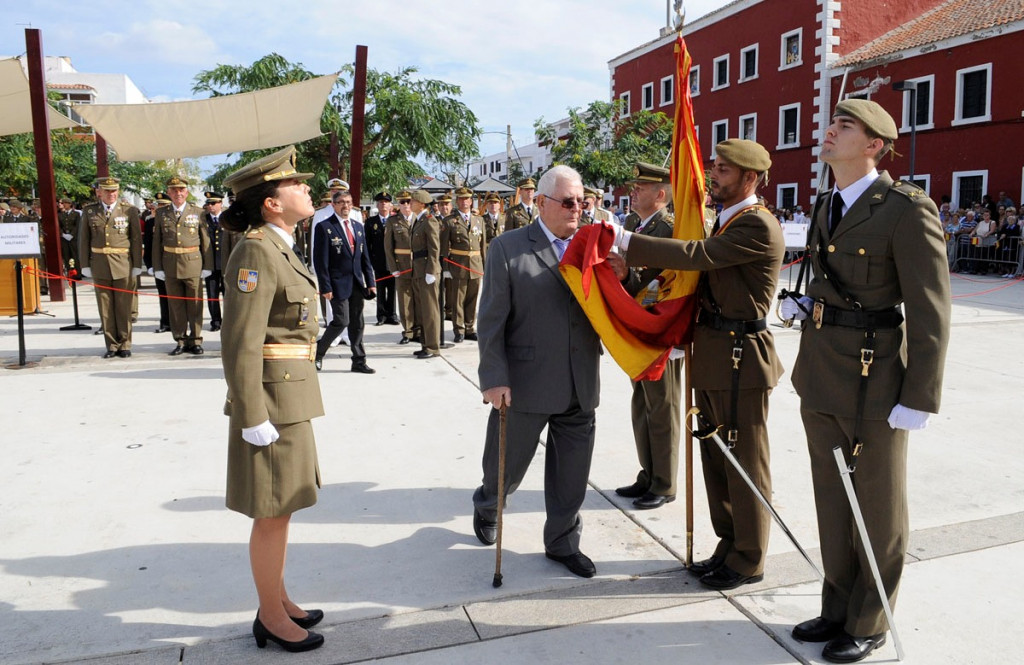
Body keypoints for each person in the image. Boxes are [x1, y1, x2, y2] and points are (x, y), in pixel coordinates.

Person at [781, 99, 951, 664]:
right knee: (833, 500)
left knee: (876, 507)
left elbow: (930, 310)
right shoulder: (829, 201)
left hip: (874, 380)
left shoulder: (905, 209)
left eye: (844, 126)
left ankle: (869, 618)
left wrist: (919, 396)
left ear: (874, 144)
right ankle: (837, 607)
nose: (829, 132)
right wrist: (808, 307)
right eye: (832, 124)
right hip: (822, 374)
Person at [608, 140, 783, 589]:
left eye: (723, 170)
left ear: (749, 178)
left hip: (742, 359)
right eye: (714, 167)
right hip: (714, 352)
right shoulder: (726, 222)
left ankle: (749, 557)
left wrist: (627, 241)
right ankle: (729, 545)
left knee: (744, 462)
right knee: (716, 459)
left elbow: (696, 256)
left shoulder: (756, 225)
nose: (713, 176)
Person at [472, 164, 603, 578]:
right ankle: (489, 504)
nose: (577, 209)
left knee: (571, 476)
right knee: (504, 470)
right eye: (568, 202)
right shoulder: (508, 248)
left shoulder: (593, 246)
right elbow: (490, 319)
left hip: (580, 380)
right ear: (542, 204)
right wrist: (494, 377)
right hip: (524, 385)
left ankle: (563, 541)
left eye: (582, 202)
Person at [220, 145, 326, 654]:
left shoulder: (281, 245)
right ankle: (268, 616)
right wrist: (250, 414)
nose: (307, 188)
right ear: (271, 202)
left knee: (284, 507)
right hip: (270, 402)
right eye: (296, 184)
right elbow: (241, 339)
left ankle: (279, 598)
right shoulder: (257, 250)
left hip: (292, 395)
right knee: (272, 512)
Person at [611, 163, 682, 510]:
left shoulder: (668, 229)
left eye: (641, 187)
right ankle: (649, 473)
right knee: (641, 404)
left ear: (661, 195)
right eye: (634, 186)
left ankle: (665, 482)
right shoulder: (631, 224)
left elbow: (666, 285)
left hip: (659, 329)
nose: (633, 191)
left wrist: (628, 278)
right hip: (637, 327)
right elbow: (632, 278)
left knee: (662, 407)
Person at [312, 189, 376, 374]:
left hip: (357, 283)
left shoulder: (357, 226)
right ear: (333, 205)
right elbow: (320, 260)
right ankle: (318, 353)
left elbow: (365, 258)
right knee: (341, 321)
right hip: (336, 283)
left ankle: (358, 360)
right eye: (341, 202)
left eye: (348, 202)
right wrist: (325, 286)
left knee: (358, 322)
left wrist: (370, 282)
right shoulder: (325, 227)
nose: (345, 206)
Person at [78, 177, 143, 358]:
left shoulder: (129, 211)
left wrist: (137, 264)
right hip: (99, 264)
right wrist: (84, 264)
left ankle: (125, 343)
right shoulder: (90, 211)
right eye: (107, 191)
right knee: (105, 308)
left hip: (122, 263)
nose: (111, 194)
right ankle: (111, 345)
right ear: (99, 192)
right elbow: (84, 240)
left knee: (123, 306)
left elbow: (136, 239)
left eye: (114, 191)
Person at [154, 176, 212, 355]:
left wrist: (207, 265)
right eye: (174, 190)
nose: (178, 193)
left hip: (193, 263)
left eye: (181, 190)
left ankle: (195, 340)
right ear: (169, 193)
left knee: (195, 304)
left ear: (186, 192)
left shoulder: (198, 212)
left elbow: (205, 240)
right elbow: (157, 242)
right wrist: (157, 267)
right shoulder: (162, 213)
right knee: (176, 305)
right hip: (170, 264)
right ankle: (180, 339)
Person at [445, 187, 486, 343]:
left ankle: (469, 328)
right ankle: (459, 330)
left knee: (472, 299)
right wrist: (447, 268)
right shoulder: (450, 221)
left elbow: (482, 247)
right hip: (458, 265)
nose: (464, 202)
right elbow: (444, 247)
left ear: (471, 201)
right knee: (458, 300)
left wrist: (484, 265)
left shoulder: (479, 220)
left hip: (475, 265)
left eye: (467, 199)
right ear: (457, 202)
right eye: (461, 199)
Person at [409, 189, 442, 358]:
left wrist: (431, 270)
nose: (410, 204)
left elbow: (434, 248)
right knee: (422, 310)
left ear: (421, 203)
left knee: (430, 311)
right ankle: (425, 343)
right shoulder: (419, 220)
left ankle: (432, 347)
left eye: (413, 201)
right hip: (419, 269)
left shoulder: (429, 221)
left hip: (427, 270)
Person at [385, 191, 419, 345]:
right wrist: (393, 267)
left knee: (419, 300)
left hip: (419, 266)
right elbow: (388, 247)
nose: (406, 205)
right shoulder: (393, 221)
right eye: (402, 202)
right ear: (398, 205)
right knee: (405, 301)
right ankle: (408, 331)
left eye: (408, 201)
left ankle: (419, 330)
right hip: (402, 265)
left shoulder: (420, 219)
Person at [365, 191, 398, 326]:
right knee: (380, 289)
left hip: (393, 262)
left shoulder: (396, 221)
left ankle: (392, 315)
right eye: (380, 202)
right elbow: (367, 244)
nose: (383, 204)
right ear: (377, 205)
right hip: (378, 262)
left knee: (392, 289)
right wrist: (369, 262)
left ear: (390, 205)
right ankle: (381, 316)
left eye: (386, 202)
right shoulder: (371, 222)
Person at [203, 191, 226, 331]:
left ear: (220, 204)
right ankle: (215, 321)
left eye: (213, 203)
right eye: (208, 204)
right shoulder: (203, 219)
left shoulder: (227, 219)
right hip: (210, 263)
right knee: (212, 294)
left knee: (227, 294)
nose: (210, 206)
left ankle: (228, 320)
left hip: (225, 262)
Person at [57, 197, 81, 274]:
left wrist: (72, 234)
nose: (63, 205)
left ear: (70, 204)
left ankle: (77, 273)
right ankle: (69, 272)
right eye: (63, 203)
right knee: (66, 255)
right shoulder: (60, 215)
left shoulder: (76, 214)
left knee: (75, 255)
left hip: (73, 238)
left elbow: (77, 225)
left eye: (65, 203)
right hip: (64, 237)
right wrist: (63, 234)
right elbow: (59, 226)